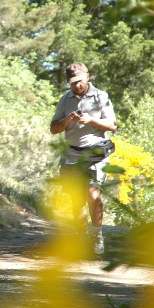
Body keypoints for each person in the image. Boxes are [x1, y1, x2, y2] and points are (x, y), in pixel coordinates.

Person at [50, 62, 117, 255]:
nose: (77, 85)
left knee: (93, 195)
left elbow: (112, 125)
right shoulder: (65, 100)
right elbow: (54, 129)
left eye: (79, 81)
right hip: (71, 154)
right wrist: (68, 119)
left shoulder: (101, 96)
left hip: (96, 154)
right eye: (73, 82)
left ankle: (96, 235)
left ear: (87, 76)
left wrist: (91, 120)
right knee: (76, 199)